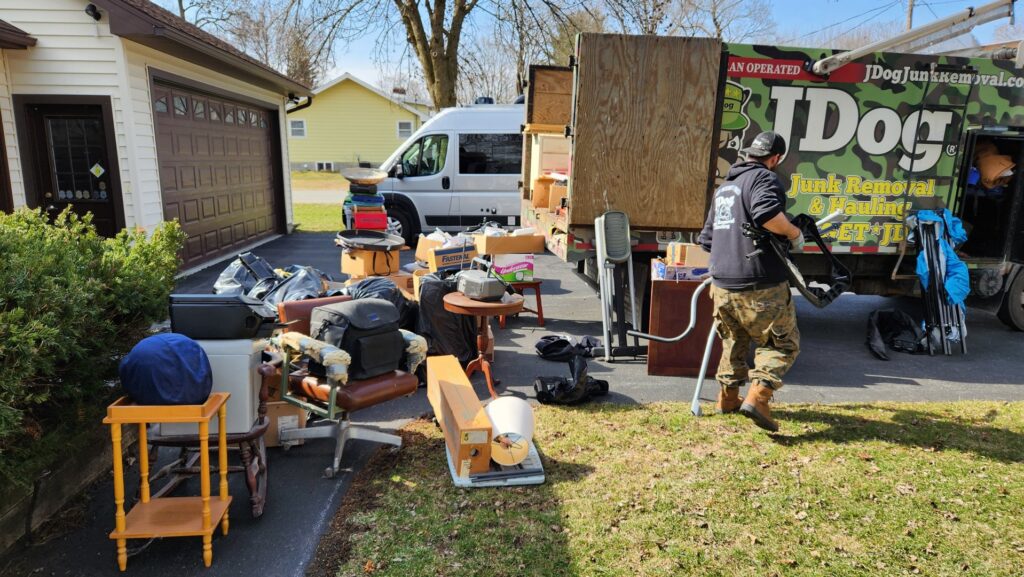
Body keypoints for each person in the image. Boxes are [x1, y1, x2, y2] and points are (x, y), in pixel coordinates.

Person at [697, 131, 804, 432]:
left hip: (722, 284)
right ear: (775, 159)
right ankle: (758, 397)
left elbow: (707, 239)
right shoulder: (764, 179)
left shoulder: (725, 187)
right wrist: (794, 233)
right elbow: (768, 215)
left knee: (734, 340)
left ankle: (727, 399)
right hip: (759, 281)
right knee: (782, 344)